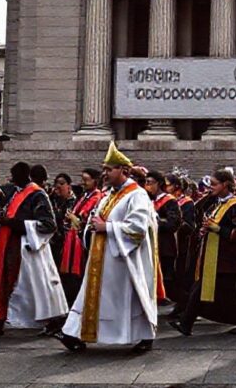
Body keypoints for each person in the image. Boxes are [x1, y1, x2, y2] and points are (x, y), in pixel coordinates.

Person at [59, 142, 160, 353]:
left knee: (129, 298)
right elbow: (97, 219)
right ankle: (73, 333)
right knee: (90, 295)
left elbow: (138, 228)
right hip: (103, 256)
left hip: (124, 259)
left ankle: (144, 336)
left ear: (123, 171)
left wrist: (108, 227)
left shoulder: (137, 195)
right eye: (104, 169)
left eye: (108, 169)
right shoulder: (110, 195)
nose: (104, 174)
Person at [0, 161, 67, 336]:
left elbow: (48, 225)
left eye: (16, 176)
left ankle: (53, 320)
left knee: (39, 287)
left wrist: (14, 223)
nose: (12, 179)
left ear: (26, 176)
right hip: (9, 246)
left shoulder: (37, 195)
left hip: (28, 249)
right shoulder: (18, 193)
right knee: (6, 284)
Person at [170, 169, 236, 336]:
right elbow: (203, 214)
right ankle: (186, 323)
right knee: (198, 291)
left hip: (227, 261)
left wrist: (218, 229)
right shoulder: (218, 203)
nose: (210, 187)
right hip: (212, 259)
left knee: (225, 297)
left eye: (214, 184)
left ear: (226, 185)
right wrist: (206, 230)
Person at [58, 169, 103, 315]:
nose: (83, 182)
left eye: (86, 179)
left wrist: (73, 218)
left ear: (95, 181)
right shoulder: (84, 196)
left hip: (81, 241)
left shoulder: (97, 197)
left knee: (78, 276)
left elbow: (84, 219)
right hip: (71, 238)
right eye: (82, 179)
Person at [144, 170, 182, 303]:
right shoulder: (149, 200)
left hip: (165, 246)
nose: (147, 186)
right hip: (151, 245)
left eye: (150, 183)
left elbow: (173, 223)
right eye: (146, 182)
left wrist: (154, 220)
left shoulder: (169, 201)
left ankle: (183, 304)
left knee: (168, 280)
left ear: (159, 184)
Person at [166, 174, 196, 318]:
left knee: (178, 277)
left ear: (176, 186)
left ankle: (186, 303)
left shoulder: (187, 203)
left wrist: (176, 222)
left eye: (168, 184)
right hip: (170, 242)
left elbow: (190, 225)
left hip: (182, 245)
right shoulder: (168, 201)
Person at [50, 173, 76, 269]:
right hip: (53, 241)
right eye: (56, 183)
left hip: (66, 241)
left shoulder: (74, 202)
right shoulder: (53, 199)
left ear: (69, 186)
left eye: (61, 183)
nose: (58, 186)